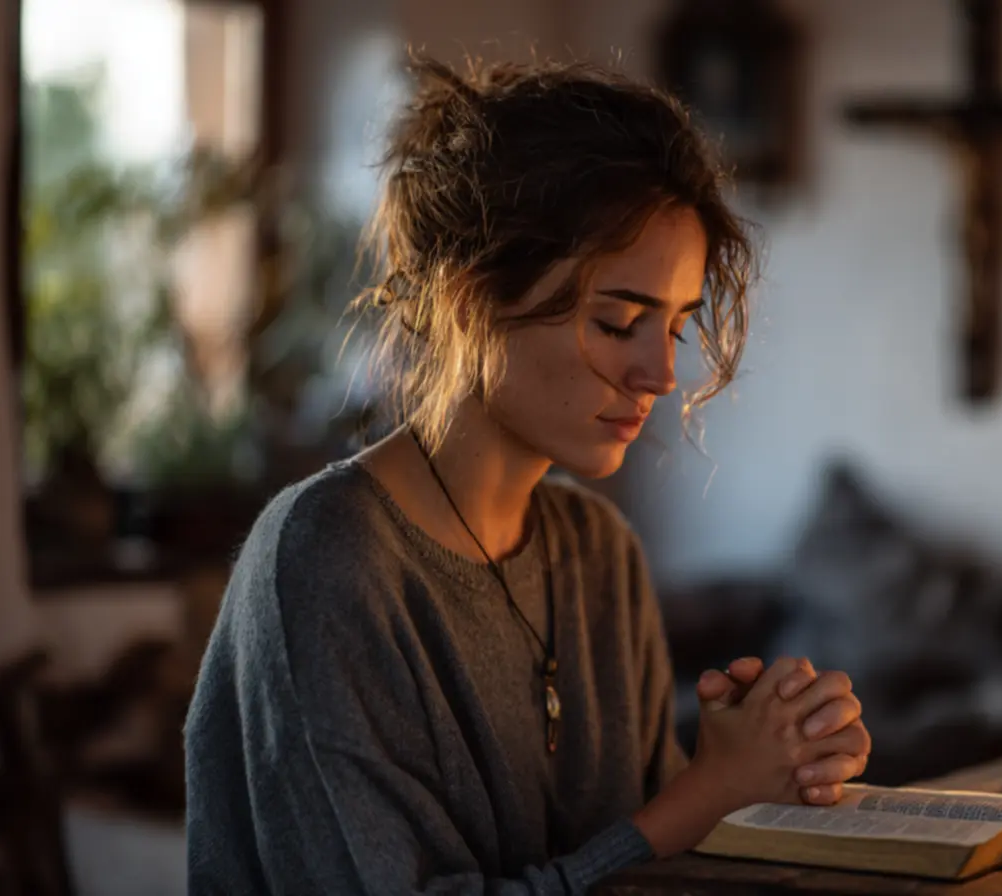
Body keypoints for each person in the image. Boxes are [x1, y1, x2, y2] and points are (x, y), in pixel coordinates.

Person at [184, 53, 870, 896]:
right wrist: (699, 798)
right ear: (471, 302)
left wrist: (761, 766)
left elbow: (640, 867)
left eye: (677, 326)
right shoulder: (327, 558)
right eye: (619, 322)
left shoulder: (599, 555)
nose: (661, 373)